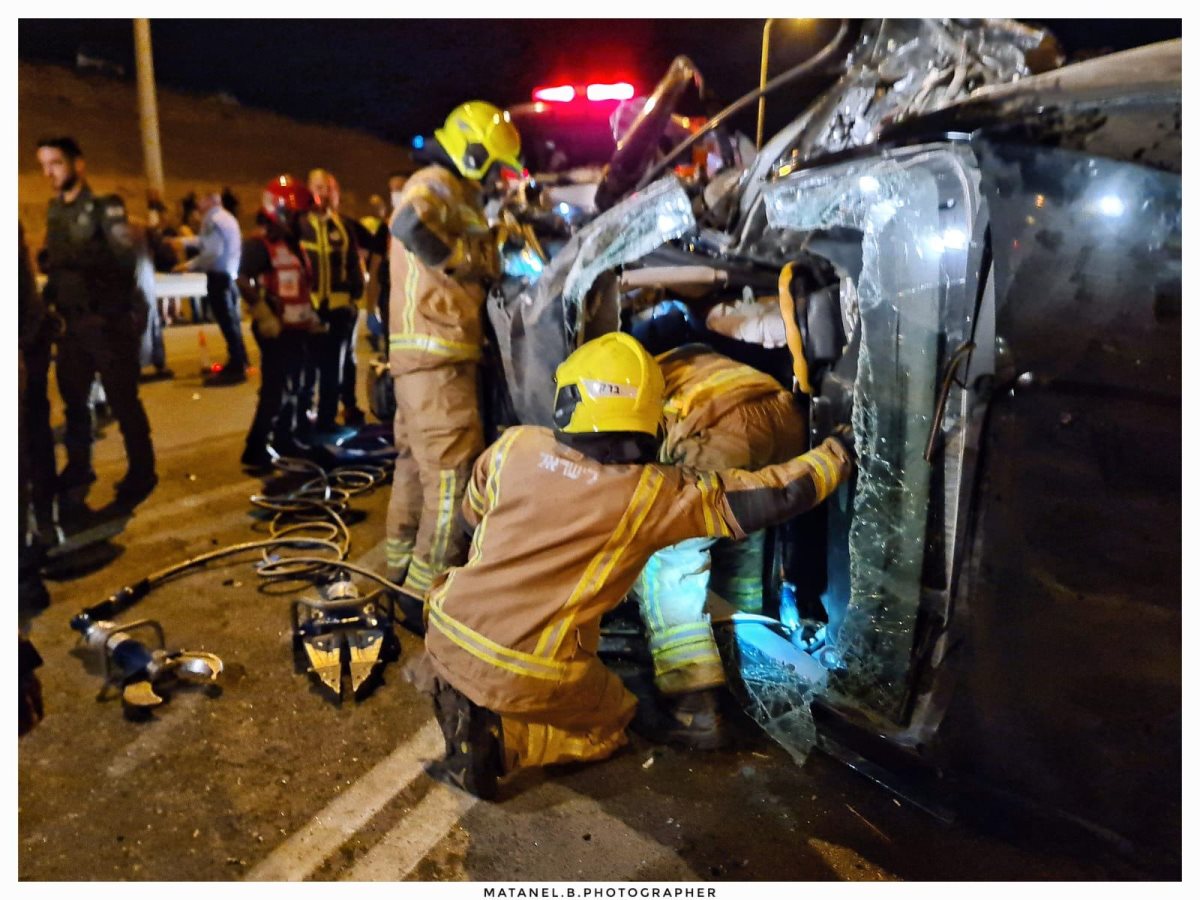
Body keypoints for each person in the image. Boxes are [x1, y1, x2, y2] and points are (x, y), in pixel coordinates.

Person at [420, 332, 854, 799]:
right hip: (530, 668)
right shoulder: (649, 493)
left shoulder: (514, 445)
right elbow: (777, 494)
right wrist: (839, 452)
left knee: (519, 664)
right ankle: (503, 742)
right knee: (614, 720)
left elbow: (471, 521)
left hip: (443, 623)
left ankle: (472, 696)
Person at [631, 344, 809, 749]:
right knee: (741, 536)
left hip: (721, 431)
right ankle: (744, 667)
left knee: (671, 557)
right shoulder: (691, 356)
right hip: (785, 420)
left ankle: (694, 705)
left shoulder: (630, 375)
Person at [385, 101, 521, 598]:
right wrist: (464, 259)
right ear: (473, 152)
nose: (495, 177)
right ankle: (428, 593)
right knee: (452, 478)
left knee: (415, 468)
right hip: (437, 352)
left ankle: (396, 569)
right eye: (493, 165)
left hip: (427, 355)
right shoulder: (436, 183)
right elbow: (407, 223)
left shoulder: (455, 190)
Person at [36, 136, 157, 515]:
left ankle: (142, 470)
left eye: (56, 163)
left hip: (106, 325)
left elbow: (123, 263)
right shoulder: (55, 212)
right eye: (44, 165)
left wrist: (111, 316)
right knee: (75, 403)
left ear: (78, 164)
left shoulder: (106, 206)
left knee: (123, 402)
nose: (49, 173)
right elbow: (55, 268)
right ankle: (79, 467)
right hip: (71, 326)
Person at [237, 175, 323, 469]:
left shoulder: (293, 244)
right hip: (275, 330)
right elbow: (242, 280)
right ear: (283, 212)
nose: (305, 221)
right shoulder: (259, 245)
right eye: (300, 215)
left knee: (294, 386)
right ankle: (255, 447)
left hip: (296, 329)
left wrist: (310, 316)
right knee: (276, 389)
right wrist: (263, 313)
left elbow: (300, 286)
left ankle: (285, 438)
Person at [298, 169, 365, 431]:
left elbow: (354, 264)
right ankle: (301, 419)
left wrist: (353, 298)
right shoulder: (299, 225)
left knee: (332, 371)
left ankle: (327, 420)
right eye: (317, 187)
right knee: (306, 369)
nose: (322, 193)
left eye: (327, 188)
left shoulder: (344, 226)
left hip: (338, 310)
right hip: (308, 309)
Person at [177, 190, 248, 385]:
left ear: (209, 201)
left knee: (227, 323)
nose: (198, 204)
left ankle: (236, 366)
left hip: (218, 276)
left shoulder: (211, 220)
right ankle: (241, 359)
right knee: (232, 321)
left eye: (201, 200)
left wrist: (190, 265)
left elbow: (212, 251)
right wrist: (183, 242)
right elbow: (208, 242)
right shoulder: (227, 218)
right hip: (230, 275)